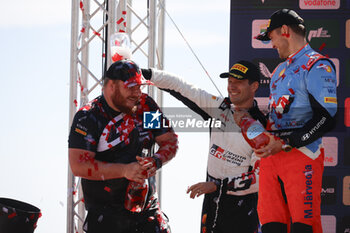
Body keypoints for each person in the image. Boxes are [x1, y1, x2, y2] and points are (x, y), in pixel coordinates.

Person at [141, 60, 266, 233]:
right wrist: (147, 74)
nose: (232, 87)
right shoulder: (219, 108)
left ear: (254, 86)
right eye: (230, 81)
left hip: (241, 208)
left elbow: (261, 179)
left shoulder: (261, 126)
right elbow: (182, 87)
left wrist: (218, 186)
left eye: (238, 82)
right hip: (211, 202)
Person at [247, 8, 337, 233]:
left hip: (302, 155)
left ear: (284, 30)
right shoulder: (278, 71)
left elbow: (326, 118)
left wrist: (288, 142)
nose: (271, 44)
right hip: (272, 158)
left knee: (302, 227)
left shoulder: (317, 64)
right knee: (271, 225)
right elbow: (276, 118)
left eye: (272, 37)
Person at [68, 59, 178, 233]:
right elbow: (79, 165)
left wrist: (156, 160)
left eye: (140, 87)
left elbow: (169, 140)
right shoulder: (89, 116)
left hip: (147, 213)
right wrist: (124, 171)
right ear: (112, 86)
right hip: (106, 217)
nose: (137, 93)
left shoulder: (145, 106)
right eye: (131, 87)